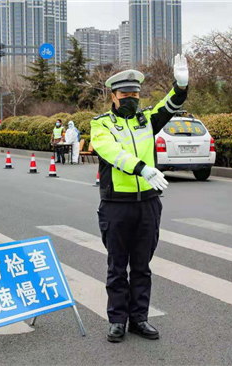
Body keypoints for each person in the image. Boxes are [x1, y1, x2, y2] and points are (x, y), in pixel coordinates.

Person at [91, 54, 189, 343]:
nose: (132, 98)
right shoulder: (101, 124)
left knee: (143, 266)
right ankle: (117, 320)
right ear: (114, 95)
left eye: (135, 93)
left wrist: (180, 86)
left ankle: (140, 319)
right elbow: (110, 151)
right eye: (126, 94)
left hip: (147, 204)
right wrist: (142, 168)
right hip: (116, 205)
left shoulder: (146, 120)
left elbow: (169, 106)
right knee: (117, 266)